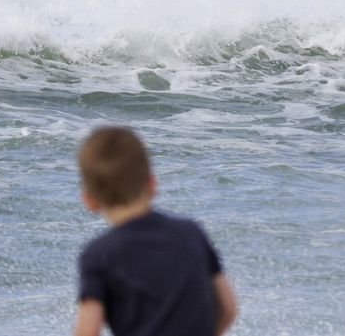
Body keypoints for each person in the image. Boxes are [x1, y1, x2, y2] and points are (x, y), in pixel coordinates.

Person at [74, 126, 238, 336]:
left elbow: (88, 332)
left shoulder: (99, 255)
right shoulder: (192, 234)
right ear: (152, 184)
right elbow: (228, 308)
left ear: (89, 200)